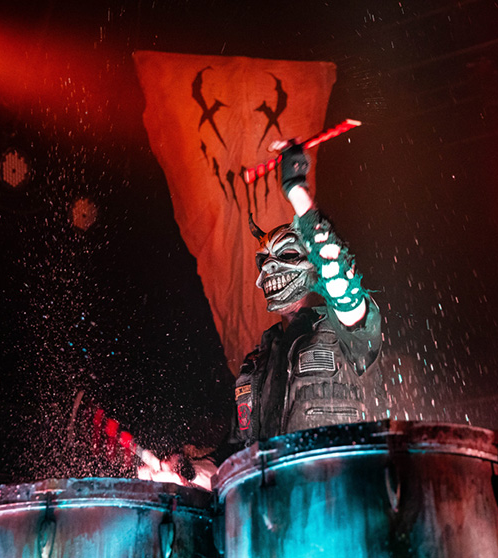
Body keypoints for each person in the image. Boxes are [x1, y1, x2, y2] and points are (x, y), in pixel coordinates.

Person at [138, 141, 381, 489]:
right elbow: (232, 459)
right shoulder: (255, 365)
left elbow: (338, 271)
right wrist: (186, 473)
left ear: (310, 263)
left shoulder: (347, 330)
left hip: (336, 502)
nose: (270, 268)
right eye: (263, 261)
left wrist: (297, 191)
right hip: (270, 513)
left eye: (286, 255)